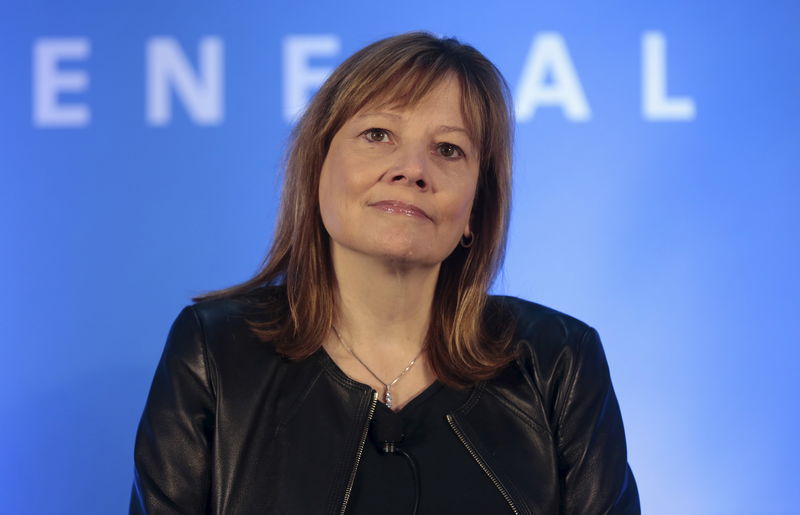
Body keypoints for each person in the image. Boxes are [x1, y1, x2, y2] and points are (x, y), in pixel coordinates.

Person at [130, 31, 640, 514]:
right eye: (378, 134)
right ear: (316, 171)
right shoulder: (212, 351)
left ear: (475, 211)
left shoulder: (559, 361)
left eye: (448, 150)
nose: (412, 169)